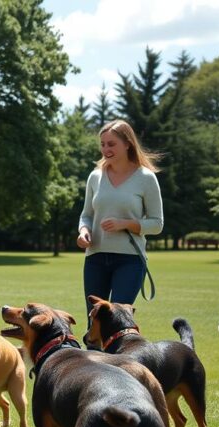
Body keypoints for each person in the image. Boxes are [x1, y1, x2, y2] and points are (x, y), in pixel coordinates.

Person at [77, 119, 163, 325]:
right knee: (94, 324)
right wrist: (83, 231)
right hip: (95, 258)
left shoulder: (146, 178)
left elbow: (157, 223)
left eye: (111, 144)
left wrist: (124, 223)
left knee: (116, 325)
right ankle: (92, 358)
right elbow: (86, 214)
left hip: (130, 261)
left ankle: (120, 358)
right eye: (103, 144)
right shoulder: (95, 177)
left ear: (127, 144)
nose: (106, 149)